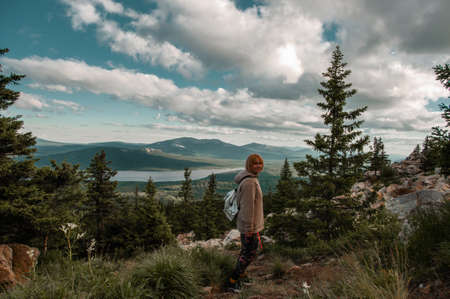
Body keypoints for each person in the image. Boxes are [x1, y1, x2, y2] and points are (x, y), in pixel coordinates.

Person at [226, 153, 264, 293]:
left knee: (246, 252)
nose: (258, 165)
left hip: (249, 225)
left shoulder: (251, 178)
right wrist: (250, 228)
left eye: (260, 163)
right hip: (249, 226)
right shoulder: (250, 182)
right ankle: (232, 281)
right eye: (255, 163)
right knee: (249, 254)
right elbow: (248, 207)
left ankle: (240, 276)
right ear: (249, 165)